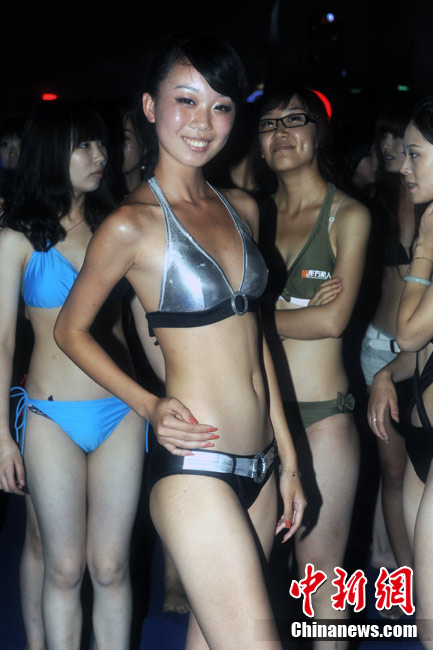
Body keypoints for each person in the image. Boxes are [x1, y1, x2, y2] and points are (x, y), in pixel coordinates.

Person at [54, 31, 306, 650]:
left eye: (221, 106)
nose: (203, 122)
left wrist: (290, 458)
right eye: (185, 100)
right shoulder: (130, 225)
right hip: (196, 470)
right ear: (150, 106)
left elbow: (255, 339)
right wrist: (148, 404)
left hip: (261, 466)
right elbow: (70, 330)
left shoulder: (242, 207)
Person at [0, 99, 146, 650]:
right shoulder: (16, 238)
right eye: (83, 144)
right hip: (49, 416)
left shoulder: (120, 227)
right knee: (62, 567)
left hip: (121, 412)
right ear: (50, 153)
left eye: (101, 142)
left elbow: (146, 326)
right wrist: (0, 437)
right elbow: (2, 342)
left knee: (110, 567)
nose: (100, 155)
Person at [255, 86, 370, 645]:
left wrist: (255, 318)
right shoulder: (247, 214)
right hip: (255, 417)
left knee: (320, 583)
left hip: (323, 417)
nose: (280, 133)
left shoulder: (348, 214)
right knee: (244, 572)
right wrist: (296, 314)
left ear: (319, 133)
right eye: (267, 123)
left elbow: (332, 321)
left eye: (294, 119)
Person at [369, 96, 433, 648]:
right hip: (421, 429)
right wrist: (387, 372)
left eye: (415, 154)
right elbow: (415, 348)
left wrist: (425, 251)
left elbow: (410, 331)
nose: (404, 166)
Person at [360, 98, 418, 576]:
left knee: (418, 469)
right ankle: (405, 577)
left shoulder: (429, 199)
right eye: (383, 135)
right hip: (381, 347)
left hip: (423, 351)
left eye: (397, 135)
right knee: (394, 470)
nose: (388, 144)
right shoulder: (370, 202)